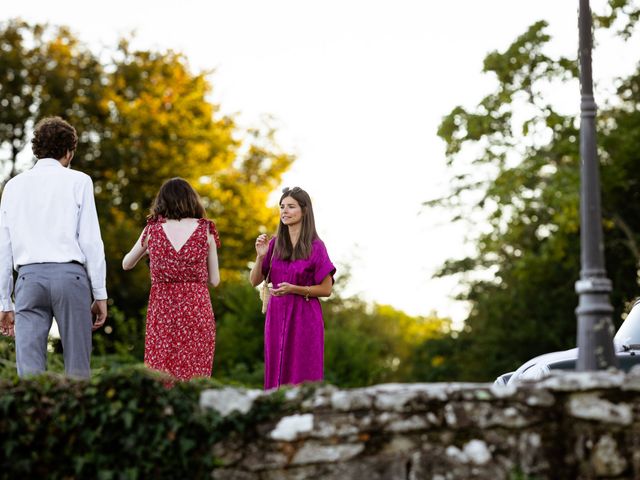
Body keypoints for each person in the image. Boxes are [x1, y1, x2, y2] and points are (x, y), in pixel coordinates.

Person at [0, 116, 108, 379]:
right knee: (78, 370)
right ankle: (76, 416)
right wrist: (100, 293)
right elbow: (91, 241)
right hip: (71, 279)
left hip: (29, 280)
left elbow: (4, 247)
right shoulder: (79, 181)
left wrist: (4, 301)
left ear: (37, 149)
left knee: (30, 374)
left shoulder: (13, 186)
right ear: (69, 151)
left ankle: (35, 419)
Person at [122, 177, 220, 381]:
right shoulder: (206, 230)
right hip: (196, 308)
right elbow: (215, 280)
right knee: (195, 374)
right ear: (192, 200)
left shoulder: (152, 229)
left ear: (162, 201)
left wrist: (153, 253)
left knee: (161, 371)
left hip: (163, 310)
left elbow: (126, 264)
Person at [250, 186, 336, 390]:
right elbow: (254, 281)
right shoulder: (275, 244)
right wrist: (260, 255)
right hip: (276, 317)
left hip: (305, 317)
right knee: (275, 371)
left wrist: (295, 289)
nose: (284, 211)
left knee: (302, 373)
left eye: (291, 206)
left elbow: (326, 290)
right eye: (281, 207)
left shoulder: (316, 246)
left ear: (304, 211)